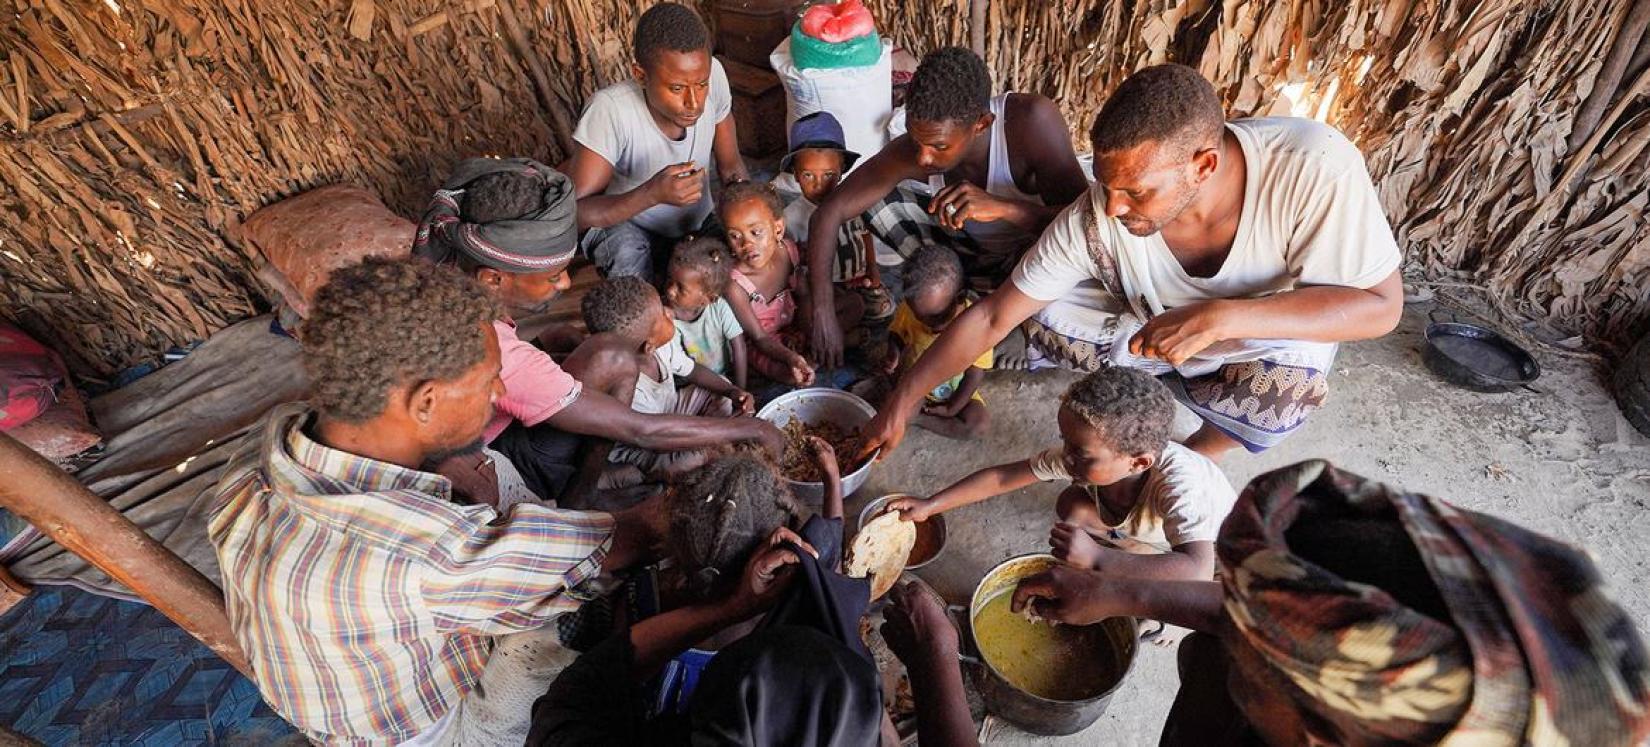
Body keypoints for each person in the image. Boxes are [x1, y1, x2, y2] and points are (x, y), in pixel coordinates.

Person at [207, 257, 671, 745]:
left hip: (337, 702)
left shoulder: (271, 445)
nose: (501, 390)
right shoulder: (414, 551)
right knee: (603, 618)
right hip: (439, 731)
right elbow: (613, 543)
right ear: (426, 402)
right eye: (489, 379)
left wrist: (437, 460)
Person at [861, 64, 1407, 461]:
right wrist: (903, 400)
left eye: (1136, 192)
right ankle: (1157, 371)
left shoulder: (1312, 170)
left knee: (1284, 395)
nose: (1114, 207)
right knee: (1041, 314)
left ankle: (1196, 453)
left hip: (1262, 332)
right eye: (1106, 184)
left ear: (1203, 165)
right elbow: (991, 317)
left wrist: (1225, 317)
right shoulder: (1102, 212)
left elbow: (1381, 308)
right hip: (1149, 320)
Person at [1009, 460, 1650, 746]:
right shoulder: (1384, 699)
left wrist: (930, 658)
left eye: (1248, 669)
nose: (1219, 641)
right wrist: (1115, 590)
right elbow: (1273, 624)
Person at [413, 157, 781, 508]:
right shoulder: (496, 351)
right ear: (493, 278)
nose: (566, 283)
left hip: (494, 432)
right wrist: (749, 430)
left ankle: (586, 488)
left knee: (577, 345)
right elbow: (642, 430)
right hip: (497, 455)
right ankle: (574, 504)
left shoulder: (449, 287)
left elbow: (586, 218)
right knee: (611, 358)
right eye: (553, 275)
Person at [806, 46, 1089, 369]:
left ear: (982, 124)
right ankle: (966, 307)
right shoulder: (917, 149)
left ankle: (1012, 322)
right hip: (971, 259)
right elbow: (829, 212)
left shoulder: (1032, 123)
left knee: (1069, 314)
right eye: (917, 140)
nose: (924, 158)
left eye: (939, 145)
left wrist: (1005, 209)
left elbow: (1088, 228)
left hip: (1029, 263)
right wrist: (823, 310)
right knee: (873, 203)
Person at [890, 367, 1235, 581]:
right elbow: (1004, 477)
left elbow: (1197, 570)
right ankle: (1132, 550)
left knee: (1162, 585)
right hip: (1145, 529)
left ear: (1139, 462)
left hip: (1215, 552)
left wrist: (1099, 558)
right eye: (1065, 442)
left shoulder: (1182, 486)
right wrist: (931, 505)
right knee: (1071, 505)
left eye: (1080, 454)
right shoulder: (1085, 459)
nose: (1066, 459)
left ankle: (1136, 562)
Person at [566, 2, 748, 280]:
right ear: (641, 75)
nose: (694, 102)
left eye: (701, 85)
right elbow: (574, 212)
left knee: (740, 267)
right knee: (630, 274)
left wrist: (751, 217)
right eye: (677, 88)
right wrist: (651, 194)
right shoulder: (610, 110)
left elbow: (731, 167)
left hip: (697, 226)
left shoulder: (715, 75)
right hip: (630, 229)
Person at [565, 277, 754, 486]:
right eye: (663, 316)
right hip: (646, 444)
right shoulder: (629, 390)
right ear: (648, 346)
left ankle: (719, 435)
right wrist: (721, 431)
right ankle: (641, 476)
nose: (670, 311)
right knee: (693, 459)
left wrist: (733, 391)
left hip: (669, 411)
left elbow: (692, 370)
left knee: (720, 388)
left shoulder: (663, 345)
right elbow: (657, 439)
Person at [779, 112, 895, 321]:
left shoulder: (853, 203)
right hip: (821, 290)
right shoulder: (791, 218)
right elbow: (788, 263)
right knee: (817, 316)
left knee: (884, 310)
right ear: (795, 174)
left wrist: (872, 268)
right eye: (808, 175)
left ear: (841, 170)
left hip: (859, 280)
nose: (819, 184)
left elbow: (865, 234)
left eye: (828, 175)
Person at [878, 245, 990, 439]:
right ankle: (913, 415)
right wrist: (893, 354)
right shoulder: (910, 310)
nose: (927, 324)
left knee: (978, 426)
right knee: (894, 413)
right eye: (919, 317)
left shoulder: (976, 325)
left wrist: (952, 408)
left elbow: (974, 375)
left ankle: (920, 419)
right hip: (916, 384)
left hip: (958, 391)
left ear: (960, 298)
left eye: (936, 317)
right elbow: (897, 334)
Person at [721, 181, 820, 386]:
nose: (746, 244)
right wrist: (790, 357)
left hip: (794, 324)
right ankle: (811, 358)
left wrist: (808, 332)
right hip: (765, 343)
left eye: (755, 232)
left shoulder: (788, 251)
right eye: (735, 236)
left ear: (778, 229)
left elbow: (804, 297)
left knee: (854, 305)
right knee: (787, 373)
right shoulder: (735, 285)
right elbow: (759, 338)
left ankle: (811, 353)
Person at [663, 237, 747, 387]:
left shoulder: (719, 308)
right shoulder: (666, 317)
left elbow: (739, 347)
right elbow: (680, 364)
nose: (670, 290)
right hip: (691, 385)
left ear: (708, 298)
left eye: (681, 288)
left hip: (725, 378)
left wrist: (741, 389)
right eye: (669, 279)